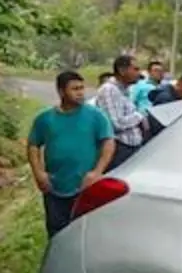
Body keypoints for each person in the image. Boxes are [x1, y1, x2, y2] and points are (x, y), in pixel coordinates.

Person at [27, 71, 116, 237]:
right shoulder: (45, 119)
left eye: (82, 88)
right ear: (61, 91)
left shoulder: (96, 116)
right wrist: (38, 173)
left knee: (84, 233)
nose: (80, 92)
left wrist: (97, 172)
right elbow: (33, 145)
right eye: (75, 89)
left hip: (85, 186)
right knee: (56, 232)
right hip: (54, 186)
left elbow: (108, 143)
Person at [94, 55, 147, 170]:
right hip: (119, 148)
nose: (139, 73)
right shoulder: (109, 90)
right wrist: (140, 115)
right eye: (135, 69)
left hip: (131, 147)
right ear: (122, 70)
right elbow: (115, 124)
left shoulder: (125, 90)